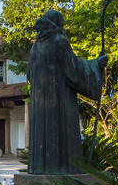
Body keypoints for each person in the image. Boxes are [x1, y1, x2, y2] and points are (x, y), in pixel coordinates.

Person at [27, 10, 107, 174]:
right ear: (57, 24)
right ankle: (66, 169)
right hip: (60, 103)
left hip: (40, 106)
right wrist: (96, 65)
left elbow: (29, 76)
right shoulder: (59, 41)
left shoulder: (35, 47)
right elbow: (74, 72)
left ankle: (40, 168)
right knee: (61, 134)